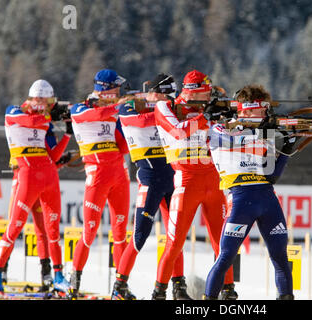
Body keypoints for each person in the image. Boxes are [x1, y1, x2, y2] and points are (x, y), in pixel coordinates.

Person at [203, 84, 295, 300]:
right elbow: (231, 140)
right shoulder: (219, 128)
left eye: (265, 109)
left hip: (267, 198)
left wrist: (288, 147)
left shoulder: (262, 132)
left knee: (281, 256)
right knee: (225, 256)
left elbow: (271, 175)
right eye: (260, 109)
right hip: (240, 197)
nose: (265, 113)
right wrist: (261, 133)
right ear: (245, 110)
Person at [152, 69, 235, 300]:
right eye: (205, 93)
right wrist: (203, 117)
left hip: (215, 180)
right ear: (194, 92)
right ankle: (159, 292)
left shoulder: (209, 109)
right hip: (186, 181)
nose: (209, 97)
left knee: (224, 243)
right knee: (175, 242)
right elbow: (178, 132)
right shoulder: (166, 107)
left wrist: (229, 119)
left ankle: (228, 292)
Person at [112, 73, 190, 300]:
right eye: (165, 95)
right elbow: (138, 121)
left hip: (171, 178)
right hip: (149, 180)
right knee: (139, 237)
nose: (168, 99)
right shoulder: (130, 107)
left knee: (176, 238)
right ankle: (119, 287)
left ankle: (178, 287)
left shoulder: (169, 109)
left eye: (171, 95)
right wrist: (166, 112)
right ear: (153, 94)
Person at [0, 79, 71, 295]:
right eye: (46, 102)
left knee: (51, 229)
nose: (49, 106)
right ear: (36, 99)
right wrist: (48, 115)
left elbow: (52, 155)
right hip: (25, 176)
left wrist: (67, 134)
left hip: (47, 175)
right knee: (14, 227)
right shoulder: (15, 111)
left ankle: (55, 275)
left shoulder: (43, 121)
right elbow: (26, 121)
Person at [66, 69, 131, 299]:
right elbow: (91, 116)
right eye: (116, 88)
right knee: (89, 232)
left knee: (121, 234)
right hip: (97, 175)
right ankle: (73, 282)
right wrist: (117, 108)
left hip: (119, 174)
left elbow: (123, 147)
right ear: (105, 88)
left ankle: (120, 287)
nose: (119, 92)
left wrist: (123, 120)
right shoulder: (80, 107)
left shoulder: (113, 112)